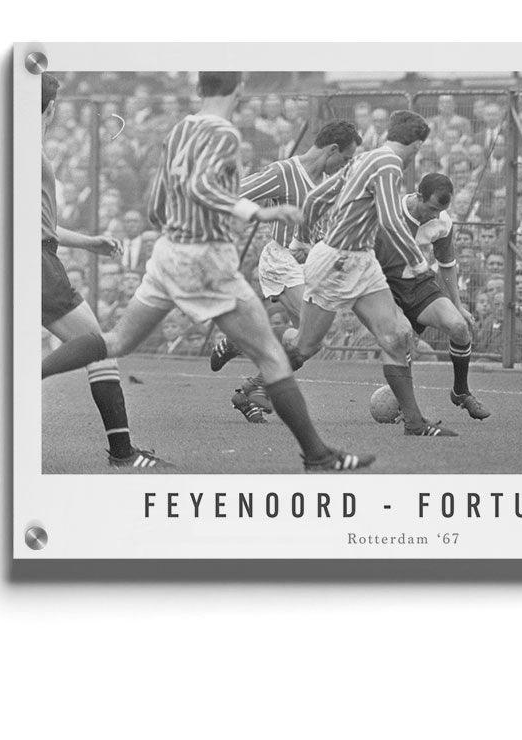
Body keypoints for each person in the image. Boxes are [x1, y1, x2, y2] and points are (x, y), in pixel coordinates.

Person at [42, 71, 374, 473]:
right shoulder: (223, 132)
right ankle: (318, 456)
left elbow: (157, 204)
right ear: (239, 89)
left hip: (169, 253)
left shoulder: (181, 130)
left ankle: (28, 376)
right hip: (205, 258)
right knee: (273, 356)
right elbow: (203, 187)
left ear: (200, 89)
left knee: (114, 341)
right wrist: (258, 212)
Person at [290, 110, 459, 437]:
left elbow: (315, 198)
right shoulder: (389, 164)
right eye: (419, 149)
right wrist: (418, 263)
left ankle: (414, 423)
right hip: (337, 261)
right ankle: (253, 375)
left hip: (362, 261)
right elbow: (391, 221)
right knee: (305, 348)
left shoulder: (364, 159)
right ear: (415, 145)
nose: (417, 154)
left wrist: (301, 239)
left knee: (397, 335)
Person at [39, 73, 165, 470]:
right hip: (37, 264)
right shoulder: (29, 152)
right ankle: (123, 453)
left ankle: (123, 451)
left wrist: (87, 242)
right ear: (51, 108)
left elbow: (40, 224)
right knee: (99, 346)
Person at [208, 120, 362, 422]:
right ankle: (248, 361)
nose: (346, 165)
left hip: (312, 267)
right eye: (345, 158)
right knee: (309, 334)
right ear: (332, 150)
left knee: (307, 345)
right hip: (282, 261)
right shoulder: (284, 172)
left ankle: (248, 384)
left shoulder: (329, 181)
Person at [372, 173, 490, 419]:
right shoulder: (388, 213)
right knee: (402, 335)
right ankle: (407, 406)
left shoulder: (442, 222)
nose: (436, 216)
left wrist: (458, 305)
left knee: (459, 327)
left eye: (441, 211)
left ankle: (461, 391)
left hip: (418, 282)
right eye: (432, 209)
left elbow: (446, 264)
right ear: (418, 197)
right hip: (383, 285)